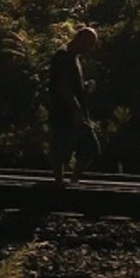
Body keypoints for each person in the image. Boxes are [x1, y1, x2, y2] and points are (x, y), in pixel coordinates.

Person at [48, 26, 100, 188]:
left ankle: (71, 182)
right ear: (80, 39)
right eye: (90, 44)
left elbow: (71, 85)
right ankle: (60, 184)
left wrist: (84, 87)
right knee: (61, 148)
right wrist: (75, 110)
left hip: (77, 112)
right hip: (65, 112)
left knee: (89, 147)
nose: (90, 48)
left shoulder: (74, 58)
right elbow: (63, 86)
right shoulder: (63, 56)